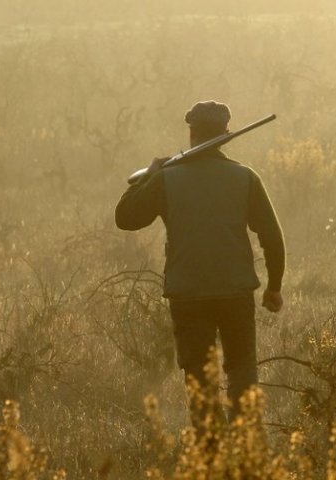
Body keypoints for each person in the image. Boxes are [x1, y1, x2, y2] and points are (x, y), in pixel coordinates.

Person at [114, 100, 285, 420]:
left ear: (192, 133)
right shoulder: (245, 177)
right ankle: (246, 450)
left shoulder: (166, 178)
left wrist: (149, 176)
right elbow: (272, 238)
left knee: (200, 382)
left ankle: (210, 455)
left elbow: (125, 217)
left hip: (188, 295)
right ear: (226, 133)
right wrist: (273, 287)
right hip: (236, 293)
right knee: (243, 372)